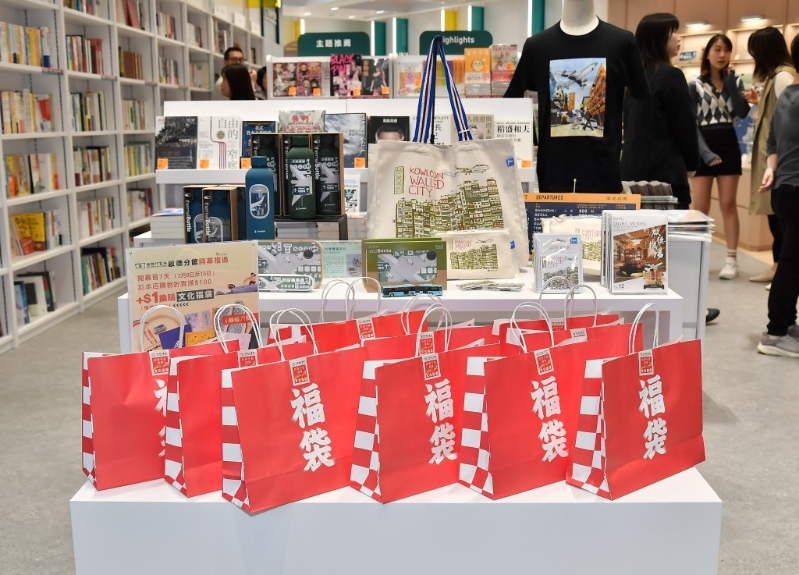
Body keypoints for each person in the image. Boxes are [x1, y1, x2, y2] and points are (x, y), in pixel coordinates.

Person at [504, 0, 648, 193]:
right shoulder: (537, 47)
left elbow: (641, 94)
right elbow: (510, 102)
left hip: (604, 179)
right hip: (553, 181)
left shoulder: (622, 43)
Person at [688, 34, 750, 280]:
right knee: (700, 206)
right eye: (717, 49)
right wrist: (705, 152)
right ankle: (696, 256)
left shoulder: (735, 82)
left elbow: (742, 112)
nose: (722, 55)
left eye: (726, 50)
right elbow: (690, 124)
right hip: (703, 146)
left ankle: (732, 259)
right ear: (708, 53)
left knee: (728, 204)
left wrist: (733, 82)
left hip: (728, 144)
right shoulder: (694, 85)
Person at [621, 13, 698, 210]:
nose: (679, 37)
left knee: (636, 237)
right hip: (666, 176)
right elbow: (685, 126)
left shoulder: (631, 78)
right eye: (673, 31)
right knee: (669, 237)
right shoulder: (671, 75)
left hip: (632, 173)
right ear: (658, 37)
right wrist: (691, 164)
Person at [755, 35, 799, 358]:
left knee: (792, 260)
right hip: (795, 188)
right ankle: (775, 332)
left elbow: (773, 144)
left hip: (785, 188)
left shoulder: (786, 95)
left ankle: (786, 323)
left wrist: (771, 171)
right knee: (791, 262)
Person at [744, 27, 796, 287]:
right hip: (774, 157)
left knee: (780, 217)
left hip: (780, 160)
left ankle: (781, 270)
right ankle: (777, 266)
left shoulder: (782, 77)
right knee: (774, 215)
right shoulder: (778, 76)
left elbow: (786, 119)